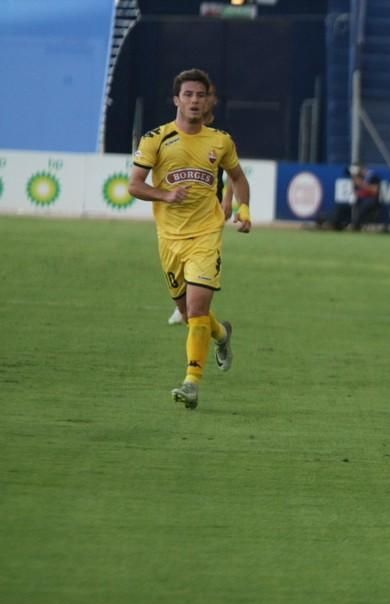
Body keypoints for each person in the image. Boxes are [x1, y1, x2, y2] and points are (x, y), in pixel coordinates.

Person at [129, 68, 251, 409]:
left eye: (200, 95)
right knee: (185, 314)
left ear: (208, 100)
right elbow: (135, 185)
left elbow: (238, 177)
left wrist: (244, 210)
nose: (195, 101)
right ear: (176, 100)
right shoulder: (156, 139)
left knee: (197, 310)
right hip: (169, 238)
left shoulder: (220, 140)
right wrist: (165, 196)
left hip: (206, 235)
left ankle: (191, 383)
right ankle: (222, 335)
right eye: (188, 95)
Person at [168, 83, 234, 325]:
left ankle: (193, 305)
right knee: (179, 252)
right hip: (184, 208)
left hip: (209, 207)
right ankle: (185, 306)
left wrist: (228, 200)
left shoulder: (217, 137)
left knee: (202, 257)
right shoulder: (178, 131)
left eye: (204, 96)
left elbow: (232, 172)